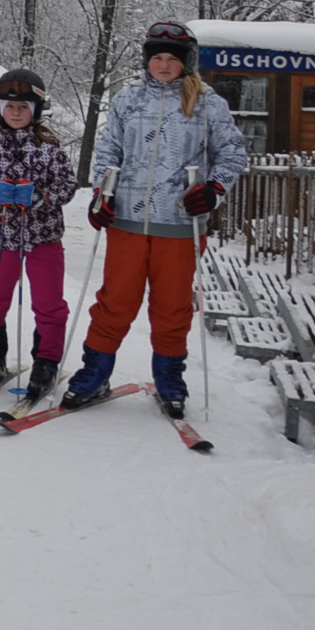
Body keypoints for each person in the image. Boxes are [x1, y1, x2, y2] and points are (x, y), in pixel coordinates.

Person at [63, 22, 247, 415]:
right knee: (115, 301)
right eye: (157, 58)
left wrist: (213, 190)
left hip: (179, 224)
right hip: (127, 220)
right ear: (147, 61)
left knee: (173, 305)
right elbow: (109, 150)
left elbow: (232, 153)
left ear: (186, 63)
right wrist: (101, 196)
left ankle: (169, 377)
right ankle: (95, 372)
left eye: (172, 59)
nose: (163, 65)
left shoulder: (207, 102)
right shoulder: (127, 100)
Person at [0, 67, 78, 398]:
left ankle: (46, 362)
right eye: (9, 106)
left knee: (49, 303)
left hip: (43, 237)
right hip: (0, 238)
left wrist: (43, 197)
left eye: (23, 107)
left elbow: (68, 184)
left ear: (35, 110)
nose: (15, 113)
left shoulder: (49, 145)